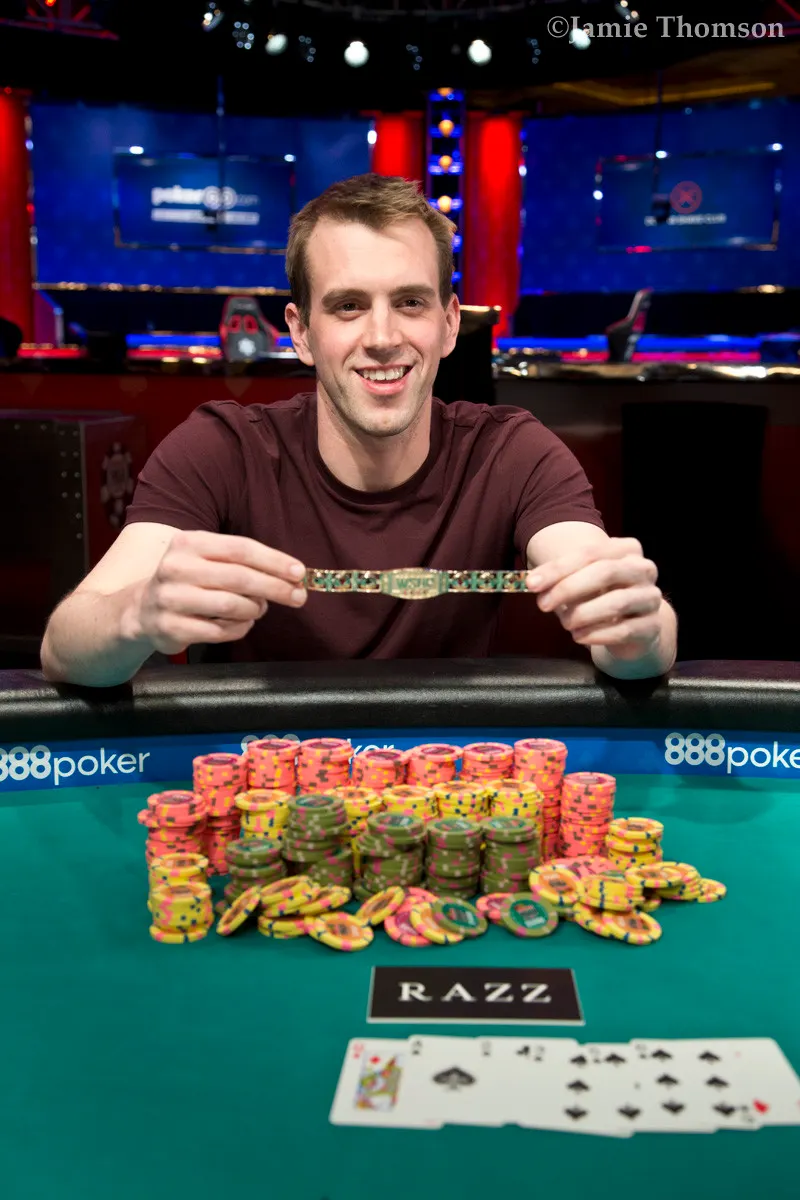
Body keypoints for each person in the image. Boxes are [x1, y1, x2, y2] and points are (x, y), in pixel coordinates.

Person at [40, 173, 676, 688]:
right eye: (348, 306)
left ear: (450, 324)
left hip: (442, 780)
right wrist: (137, 616)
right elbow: (65, 651)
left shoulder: (512, 451)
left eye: (410, 302)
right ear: (300, 333)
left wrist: (635, 629)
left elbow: (631, 636)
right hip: (261, 778)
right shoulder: (222, 448)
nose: (381, 337)